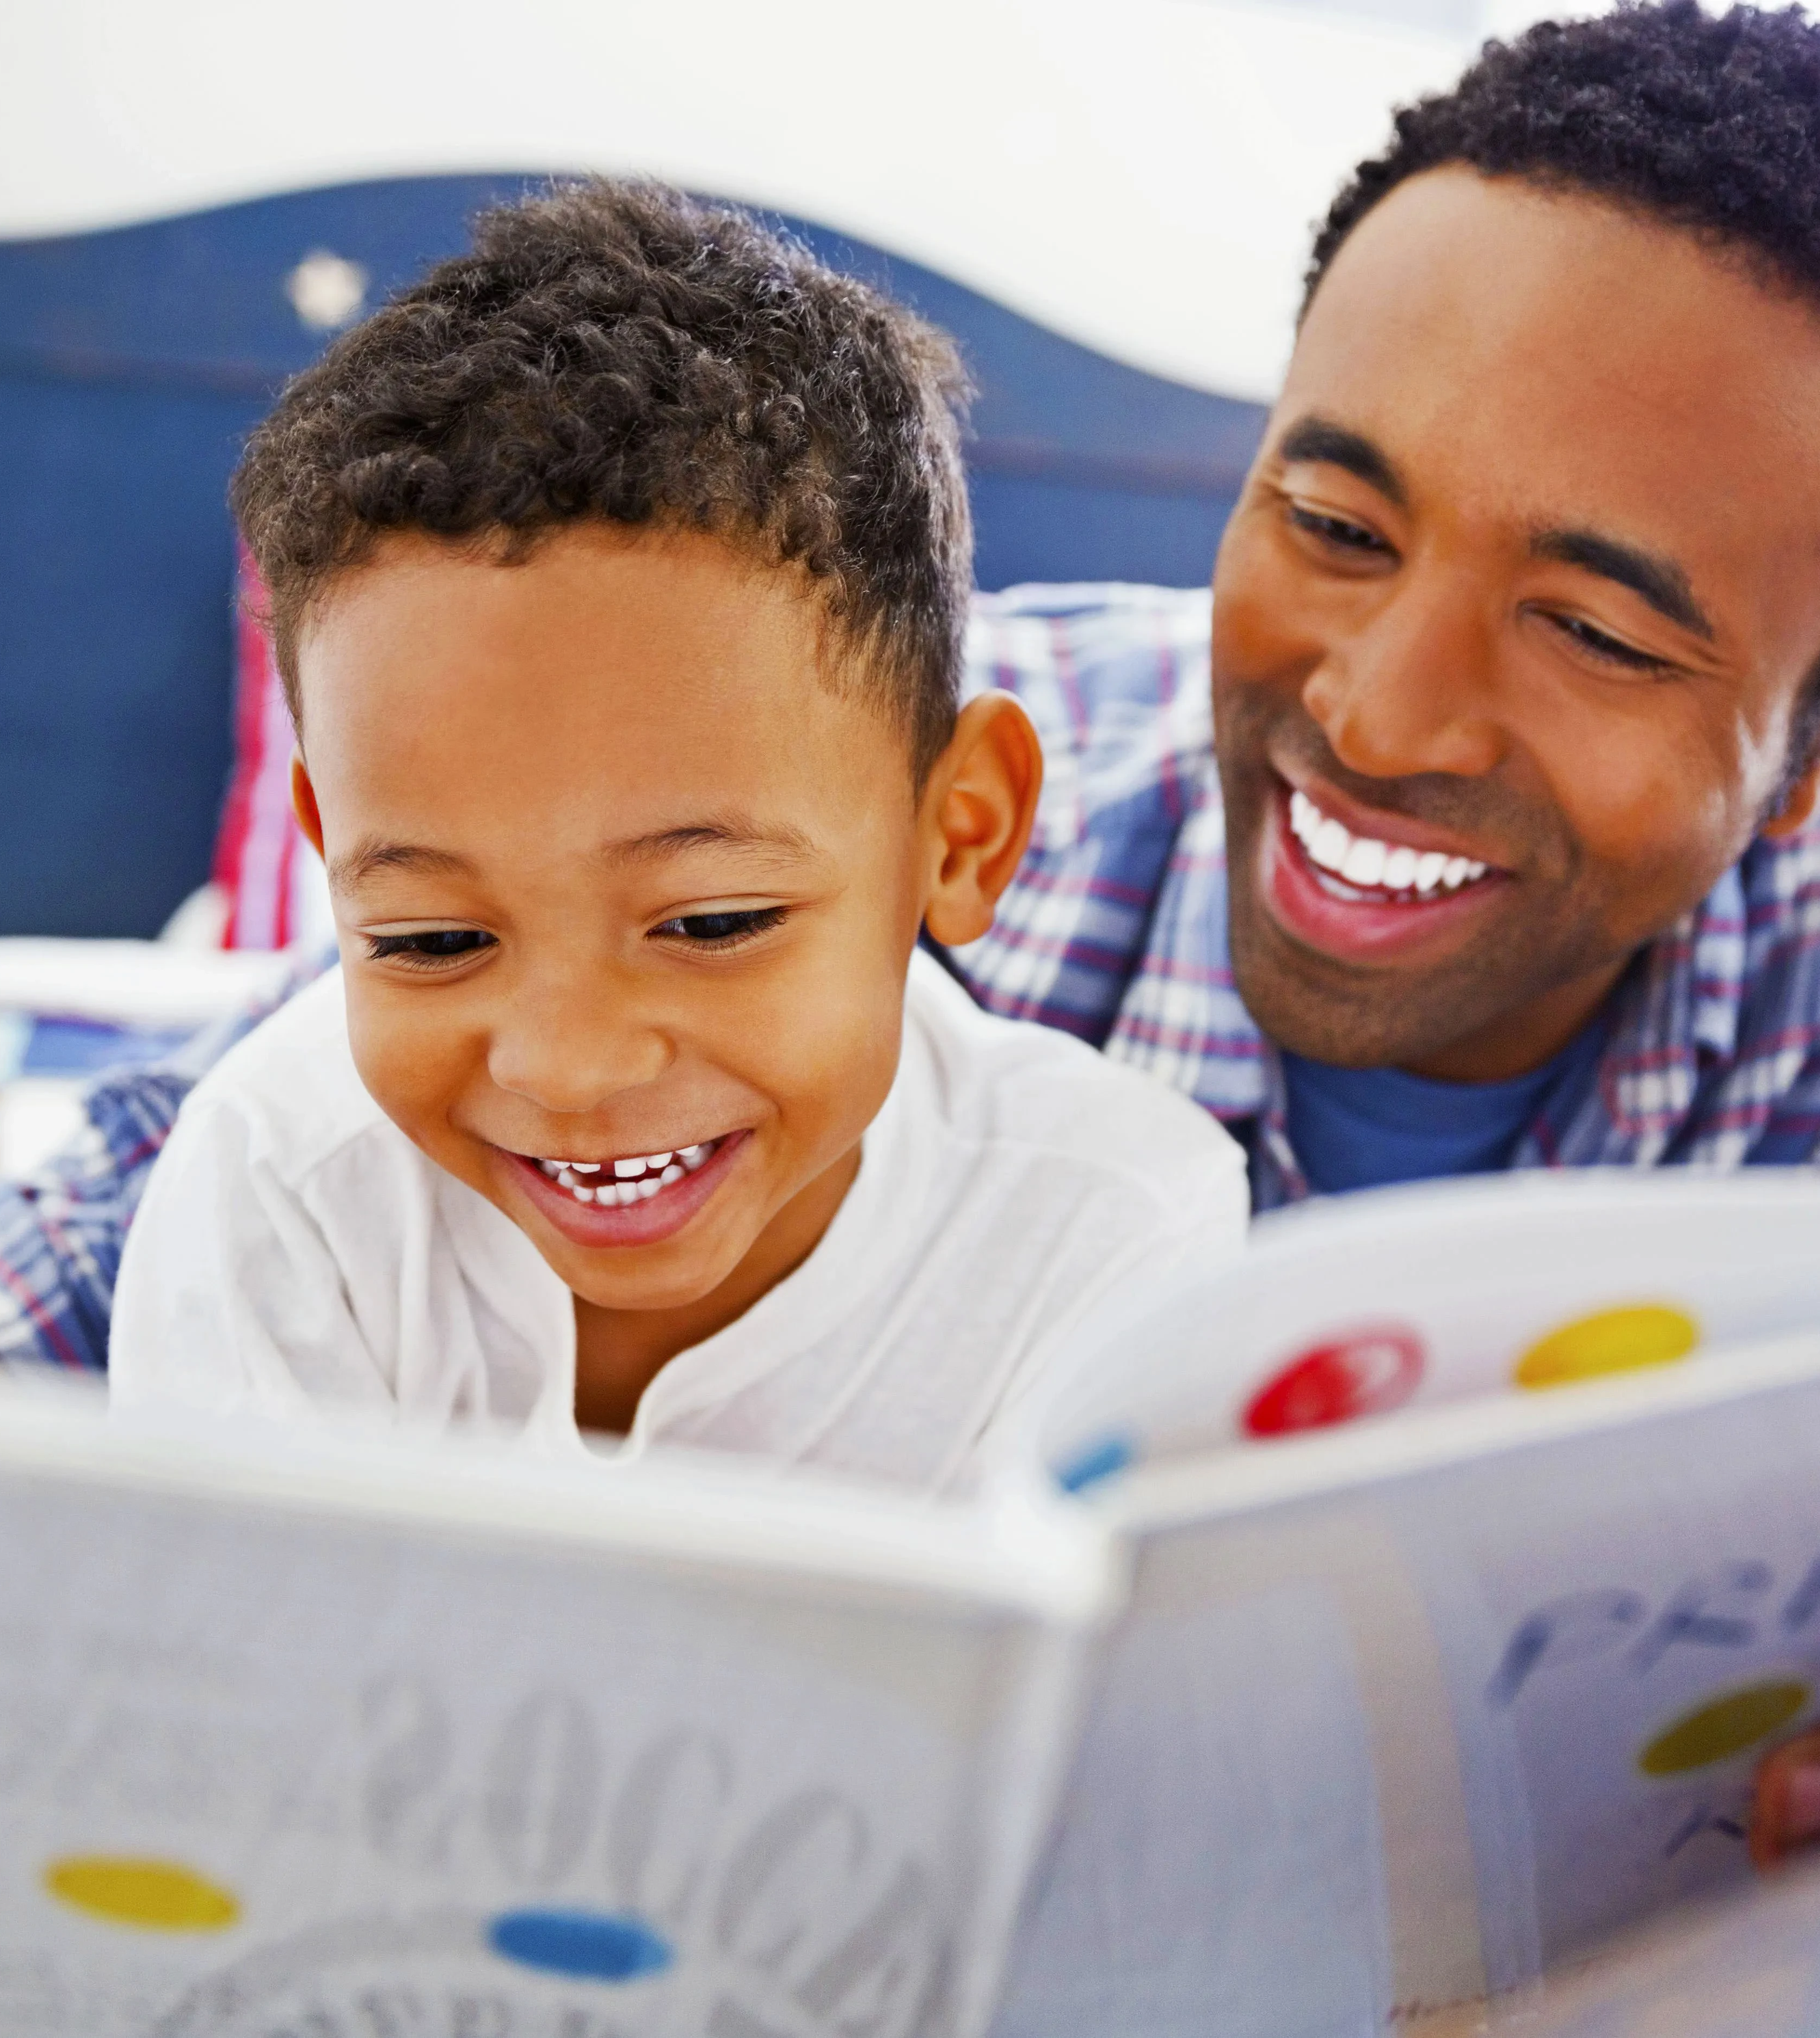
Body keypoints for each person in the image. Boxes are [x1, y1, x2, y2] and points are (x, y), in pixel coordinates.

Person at [0, 1, 1820, 1855]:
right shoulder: (905, 758)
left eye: (1602, 626)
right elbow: (135, 1219)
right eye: (1330, 514)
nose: (1379, 705)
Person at [105, 182, 1246, 1489]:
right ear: (328, 860)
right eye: (431, 938)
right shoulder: (282, 1192)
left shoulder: (1114, 1237)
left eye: (710, 922)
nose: (569, 1068)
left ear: (961, 833)